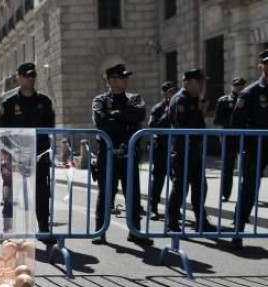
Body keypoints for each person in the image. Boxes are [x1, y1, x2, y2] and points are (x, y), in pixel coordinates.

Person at [91, 64, 152, 245]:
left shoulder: (134, 98)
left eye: (126, 77)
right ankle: (99, 231)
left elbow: (139, 115)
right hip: (107, 154)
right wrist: (125, 121)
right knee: (105, 194)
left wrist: (116, 116)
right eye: (120, 77)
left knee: (132, 193)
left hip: (128, 153)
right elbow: (102, 123)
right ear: (110, 81)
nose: (124, 80)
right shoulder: (100, 100)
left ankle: (135, 231)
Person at [0, 62, 55, 249]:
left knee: (41, 193)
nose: (31, 78)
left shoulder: (44, 102)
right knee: (9, 194)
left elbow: (49, 128)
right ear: (19, 78)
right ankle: (8, 232)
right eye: (27, 75)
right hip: (14, 157)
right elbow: (3, 131)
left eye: (33, 75)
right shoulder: (9, 104)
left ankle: (44, 230)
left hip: (38, 156)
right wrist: (9, 153)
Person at [166, 69, 216, 233]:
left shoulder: (193, 99)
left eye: (202, 82)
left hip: (194, 149)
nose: (201, 86)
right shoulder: (180, 100)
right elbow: (183, 126)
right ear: (187, 83)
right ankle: (172, 220)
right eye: (198, 82)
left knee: (200, 186)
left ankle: (201, 220)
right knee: (180, 187)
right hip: (182, 150)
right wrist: (199, 111)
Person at [230, 50, 268, 250]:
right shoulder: (250, 93)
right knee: (249, 190)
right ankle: (238, 230)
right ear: (261, 66)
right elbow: (237, 124)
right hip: (256, 147)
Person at [147, 81, 177, 220]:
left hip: (177, 147)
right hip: (162, 147)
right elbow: (152, 126)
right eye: (170, 91)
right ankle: (153, 207)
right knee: (158, 179)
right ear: (164, 93)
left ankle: (175, 208)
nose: (172, 94)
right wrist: (166, 115)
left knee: (178, 180)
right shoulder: (158, 108)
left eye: (174, 91)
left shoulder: (179, 104)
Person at [214, 77, 247, 202]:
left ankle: (245, 194)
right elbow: (217, 120)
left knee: (247, 167)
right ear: (232, 86)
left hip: (245, 137)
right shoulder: (223, 101)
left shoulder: (248, 99)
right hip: (229, 137)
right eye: (237, 85)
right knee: (228, 167)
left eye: (242, 85)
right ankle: (225, 193)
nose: (240, 87)